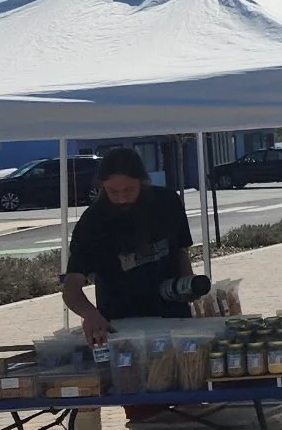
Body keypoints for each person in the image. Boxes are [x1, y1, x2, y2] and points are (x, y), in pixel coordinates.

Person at [60, 146, 203, 345]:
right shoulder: (92, 223)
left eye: (129, 190)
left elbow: (180, 250)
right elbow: (71, 287)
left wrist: (189, 288)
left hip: (174, 319)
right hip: (123, 329)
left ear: (143, 181)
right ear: (102, 186)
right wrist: (90, 314)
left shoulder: (168, 202)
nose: (121, 198)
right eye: (112, 191)